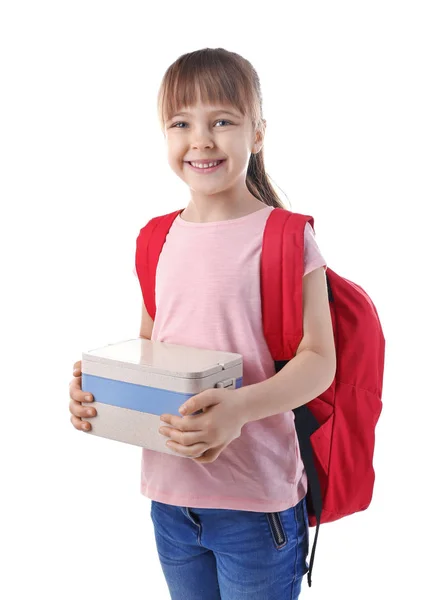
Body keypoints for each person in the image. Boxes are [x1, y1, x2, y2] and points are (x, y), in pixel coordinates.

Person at [68, 47, 336, 600]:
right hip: (170, 500)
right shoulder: (156, 239)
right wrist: (101, 394)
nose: (201, 139)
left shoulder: (284, 237)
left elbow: (318, 363)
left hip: (257, 506)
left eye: (222, 121)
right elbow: (152, 355)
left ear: (257, 134)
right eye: (181, 123)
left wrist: (239, 407)